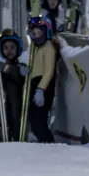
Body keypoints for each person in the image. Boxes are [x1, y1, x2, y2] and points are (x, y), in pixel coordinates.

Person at [0, 28, 27, 142]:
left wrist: (24, 72)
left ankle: (17, 140)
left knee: (16, 120)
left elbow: (24, 80)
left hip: (17, 102)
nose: (9, 51)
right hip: (0, 100)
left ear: (18, 49)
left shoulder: (20, 66)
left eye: (12, 47)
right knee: (2, 122)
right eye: (5, 48)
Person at [25, 15, 57, 143]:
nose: (36, 36)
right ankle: (45, 144)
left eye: (39, 32)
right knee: (34, 121)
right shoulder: (36, 48)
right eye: (34, 33)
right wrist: (27, 71)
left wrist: (41, 89)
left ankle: (49, 144)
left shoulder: (48, 47)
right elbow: (35, 66)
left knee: (38, 122)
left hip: (43, 87)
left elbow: (49, 71)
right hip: (35, 84)